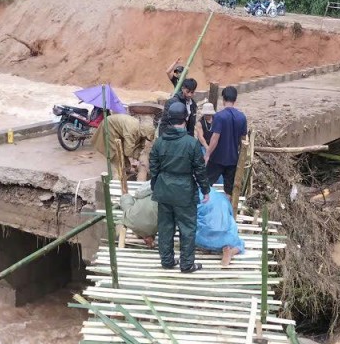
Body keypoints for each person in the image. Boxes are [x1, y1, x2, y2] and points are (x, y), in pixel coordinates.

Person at [149, 102, 210, 273]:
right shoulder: (191, 144)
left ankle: (167, 261)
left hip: (164, 190)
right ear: (185, 119)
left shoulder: (159, 143)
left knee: (165, 227)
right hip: (184, 191)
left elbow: (153, 167)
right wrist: (205, 189)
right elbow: (199, 170)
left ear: (169, 120)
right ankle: (187, 264)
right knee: (187, 228)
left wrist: (156, 185)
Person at [205, 86, 248, 198]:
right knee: (229, 190)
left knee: (205, 184)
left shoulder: (219, 116)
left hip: (217, 159)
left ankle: (204, 208)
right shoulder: (242, 117)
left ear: (223, 99)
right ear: (235, 99)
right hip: (233, 160)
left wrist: (208, 154)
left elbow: (215, 138)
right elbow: (244, 140)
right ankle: (227, 212)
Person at [92, 113, 156, 177]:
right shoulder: (132, 129)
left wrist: (136, 158)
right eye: (146, 137)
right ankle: (120, 171)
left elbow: (140, 146)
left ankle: (126, 168)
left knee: (126, 149)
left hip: (119, 129)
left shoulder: (143, 131)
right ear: (144, 132)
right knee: (116, 151)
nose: (146, 139)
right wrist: (132, 162)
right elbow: (128, 147)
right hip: (109, 126)